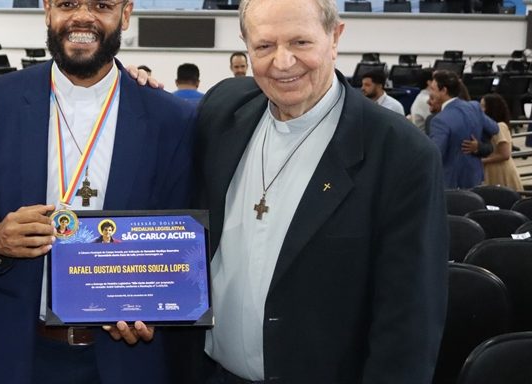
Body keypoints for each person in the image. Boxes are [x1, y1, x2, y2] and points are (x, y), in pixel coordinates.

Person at [193, 0, 447, 381]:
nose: (282, 62)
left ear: (335, 38)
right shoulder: (221, 110)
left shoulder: (401, 155)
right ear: (246, 46)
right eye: (264, 46)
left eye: (300, 42)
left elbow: (409, 324)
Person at [0, 0, 196, 382]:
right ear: (47, 10)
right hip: (15, 353)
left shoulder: (170, 119)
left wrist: (157, 307)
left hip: (125, 358)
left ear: (125, 13)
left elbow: (182, 239)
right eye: (68, 3)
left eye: (101, 5)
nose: (83, 16)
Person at [428, 69, 498, 189]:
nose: (430, 92)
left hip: (450, 184)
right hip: (475, 179)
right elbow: (494, 128)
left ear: (444, 90)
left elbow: (435, 155)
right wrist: (479, 146)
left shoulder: (439, 120)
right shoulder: (474, 107)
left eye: (433, 89)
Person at [479, 93, 523, 191]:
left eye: (482, 106)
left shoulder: (499, 127)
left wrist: (482, 161)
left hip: (500, 171)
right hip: (491, 170)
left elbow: (505, 154)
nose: (480, 110)